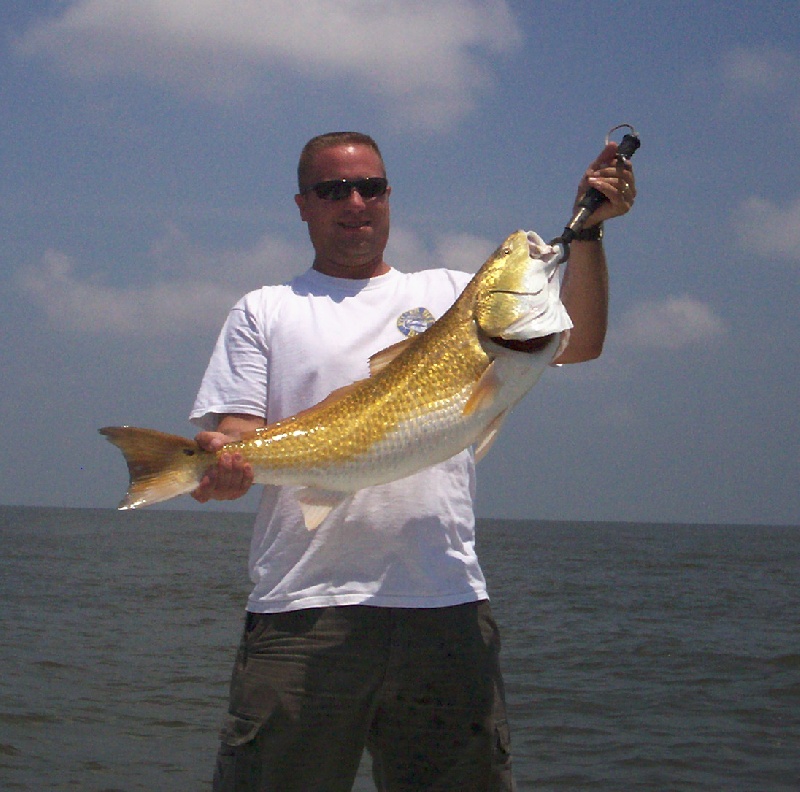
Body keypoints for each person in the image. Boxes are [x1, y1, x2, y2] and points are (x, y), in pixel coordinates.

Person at [189, 131, 635, 791]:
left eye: (372, 186)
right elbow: (238, 432)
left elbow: (583, 341)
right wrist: (216, 465)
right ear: (303, 205)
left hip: (445, 605)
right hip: (302, 608)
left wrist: (590, 235)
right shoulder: (265, 310)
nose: (356, 201)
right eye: (333, 189)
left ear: (390, 197)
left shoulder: (456, 296)